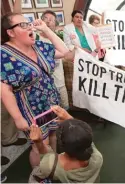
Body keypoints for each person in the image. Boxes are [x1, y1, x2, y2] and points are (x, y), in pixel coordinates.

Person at [1, 13, 69, 167]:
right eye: (23, 25)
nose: (30, 26)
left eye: (29, 23)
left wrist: (46, 30)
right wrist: (18, 118)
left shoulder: (39, 46)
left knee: (52, 134)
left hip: (50, 102)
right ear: (10, 33)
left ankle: (52, 166)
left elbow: (65, 52)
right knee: (39, 145)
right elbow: (5, 90)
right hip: (31, 109)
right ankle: (40, 175)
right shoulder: (3, 54)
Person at [29, 105, 103, 183]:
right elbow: (86, 140)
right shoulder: (97, 157)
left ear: (61, 144)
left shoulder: (50, 166)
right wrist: (69, 118)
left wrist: (39, 142)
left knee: (34, 174)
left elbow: (45, 157)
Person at [35, 10, 69, 110]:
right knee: (51, 111)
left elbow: (65, 53)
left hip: (59, 81)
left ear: (56, 25)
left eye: (52, 20)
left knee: (65, 107)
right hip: (44, 84)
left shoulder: (57, 39)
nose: (49, 21)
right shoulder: (35, 38)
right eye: (46, 19)